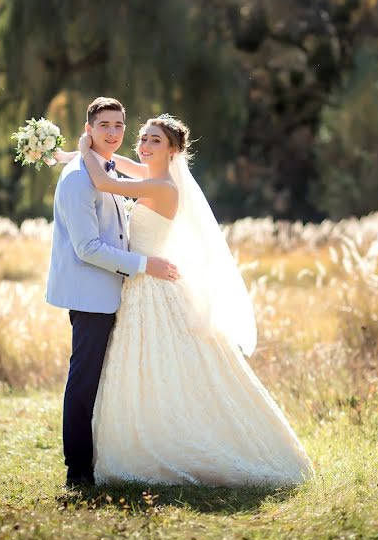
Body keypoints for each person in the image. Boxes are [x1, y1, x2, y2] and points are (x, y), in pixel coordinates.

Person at [56, 113, 313, 486]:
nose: (143, 145)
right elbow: (115, 164)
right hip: (138, 284)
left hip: (153, 284)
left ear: (173, 149)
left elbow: (105, 180)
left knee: (171, 365)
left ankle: (178, 440)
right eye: (142, 138)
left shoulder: (164, 189)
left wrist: (84, 146)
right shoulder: (151, 178)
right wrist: (68, 156)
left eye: (154, 141)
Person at [45, 97, 179, 488]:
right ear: (90, 127)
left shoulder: (102, 167)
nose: (114, 133)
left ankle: (116, 455)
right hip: (92, 295)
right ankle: (78, 471)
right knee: (84, 381)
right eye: (105, 125)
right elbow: (87, 248)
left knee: (108, 381)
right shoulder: (77, 179)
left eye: (119, 125)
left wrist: (83, 151)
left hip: (120, 293)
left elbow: (111, 184)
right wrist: (143, 265)